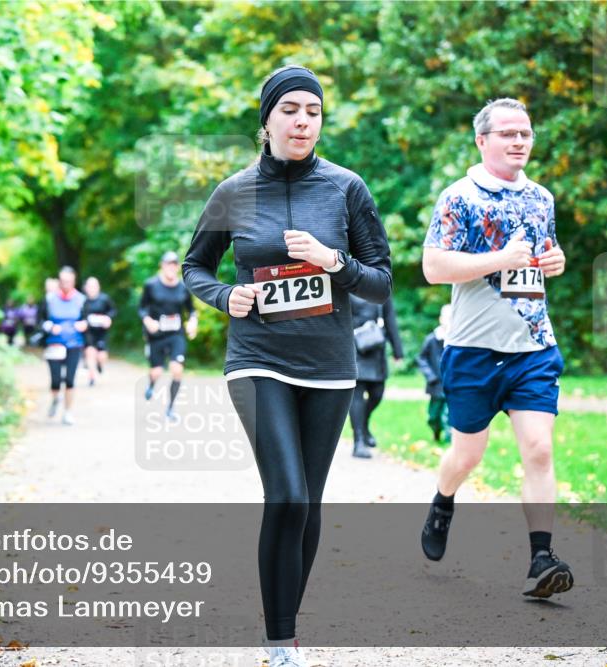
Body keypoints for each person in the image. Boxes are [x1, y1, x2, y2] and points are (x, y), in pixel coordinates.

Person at [183, 65, 391, 667]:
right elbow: (196, 266)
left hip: (329, 363)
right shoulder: (234, 191)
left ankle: (283, 628)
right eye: (290, 110)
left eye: (313, 112)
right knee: (287, 497)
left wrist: (334, 261)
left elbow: (380, 282)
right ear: (267, 120)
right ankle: (281, 645)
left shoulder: (347, 188)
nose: (303, 121)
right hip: (258, 357)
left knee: (310, 503)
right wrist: (227, 296)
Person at [420, 98, 571, 599]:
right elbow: (434, 268)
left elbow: (541, 257)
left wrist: (555, 261)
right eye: (507, 133)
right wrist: (498, 258)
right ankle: (443, 501)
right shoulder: (458, 197)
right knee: (467, 454)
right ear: (481, 141)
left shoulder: (542, 198)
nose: (519, 141)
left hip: (533, 346)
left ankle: (541, 559)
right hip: (473, 350)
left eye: (525, 133)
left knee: (540, 449)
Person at [139, 251, 197, 422]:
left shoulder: (183, 287)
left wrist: (193, 322)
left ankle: (170, 409)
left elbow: (191, 310)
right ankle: (151, 384)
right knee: (156, 371)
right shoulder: (151, 285)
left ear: (177, 267)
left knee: (177, 370)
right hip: (156, 334)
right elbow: (142, 308)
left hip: (176, 334)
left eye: (174, 264)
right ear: (162, 266)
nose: (171, 267)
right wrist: (147, 320)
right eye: (167, 264)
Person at [348, 294, 404, 458]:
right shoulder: (346, 286)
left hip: (376, 348)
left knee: (377, 394)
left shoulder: (381, 287)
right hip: (353, 349)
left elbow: (390, 320)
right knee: (356, 398)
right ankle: (358, 441)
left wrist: (398, 351)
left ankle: (364, 425)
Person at [37, 267, 87, 426]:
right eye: (63, 281)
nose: (66, 284)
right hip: (54, 344)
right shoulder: (49, 299)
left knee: (70, 380)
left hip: (74, 343)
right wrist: (51, 327)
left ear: (74, 281)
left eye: (69, 281)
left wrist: (84, 324)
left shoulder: (81, 299)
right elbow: (40, 321)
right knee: (56, 380)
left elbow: (87, 320)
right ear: (59, 281)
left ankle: (67, 412)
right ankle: (55, 399)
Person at [415, 304, 452, 443]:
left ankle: (450, 440)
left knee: (449, 415)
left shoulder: (457, 340)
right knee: (433, 415)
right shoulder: (431, 339)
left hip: (451, 384)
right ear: (441, 319)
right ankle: (436, 431)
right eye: (447, 318)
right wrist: (430, 376)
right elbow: (421, 358)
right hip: (436, 384)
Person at [81, 277, 116, 386]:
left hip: (102, 332)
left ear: (98, 287)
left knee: (101, 356)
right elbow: (79, 315)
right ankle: (91, 377)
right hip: (89, 331)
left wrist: (108, 318)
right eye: (89, 286)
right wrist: (83, 322)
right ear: (86, 288)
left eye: (94, 286)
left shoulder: (104, 299)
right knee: (90, 352)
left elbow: (113, 311)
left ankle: (99, 364)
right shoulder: (83, 300)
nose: (92, 288)